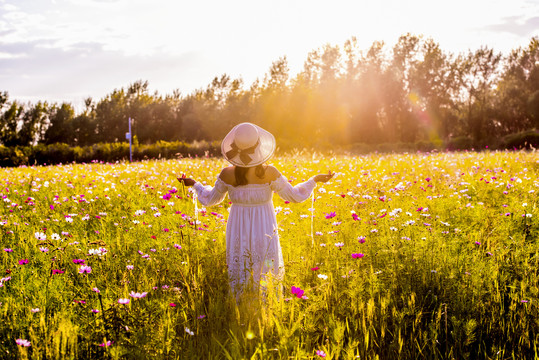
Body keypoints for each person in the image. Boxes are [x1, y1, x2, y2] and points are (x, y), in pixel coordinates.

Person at [178, 122, 333, 296]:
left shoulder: (227, 174)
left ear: (234, 146)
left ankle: (241, 299)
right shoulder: (270, 173)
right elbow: (295, 195)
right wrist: (315, 179)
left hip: (238, 227)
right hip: (265, 227)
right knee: (266, 262)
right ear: (258, 145)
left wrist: (194, 184)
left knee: (240, 263)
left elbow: (209, 199)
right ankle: (267, 299)